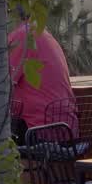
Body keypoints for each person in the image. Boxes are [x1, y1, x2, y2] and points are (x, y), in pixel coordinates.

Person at [9, 10, 75, 139]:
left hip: (38, 130)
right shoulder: (44, 34)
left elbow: (0, 84)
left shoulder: (21, 36)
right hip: (67, 128)